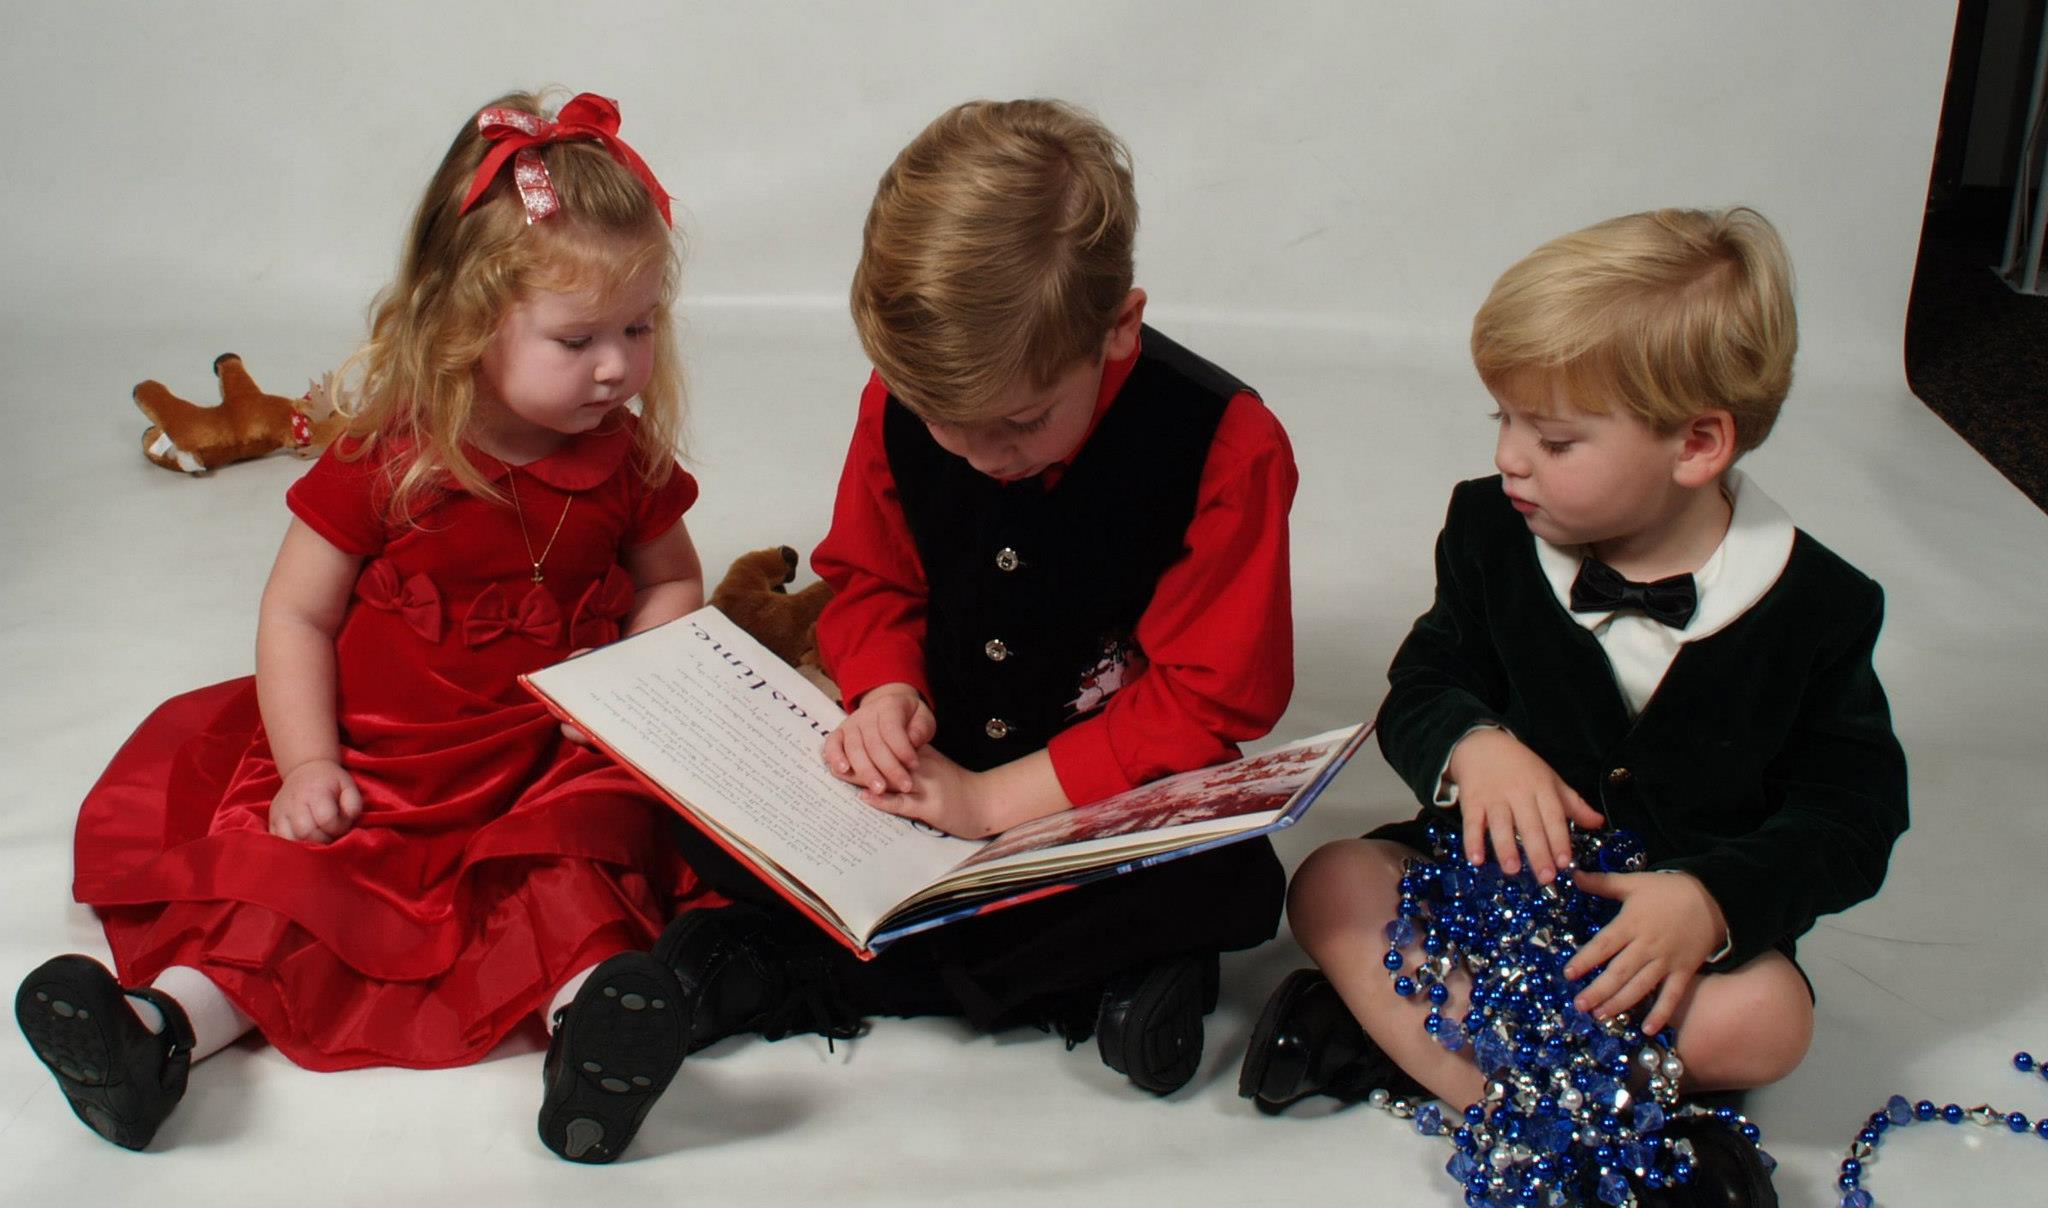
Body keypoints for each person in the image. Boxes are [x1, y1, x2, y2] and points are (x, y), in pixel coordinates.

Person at [14, 91, 721, 1165]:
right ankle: (154, 1029)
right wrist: (305, 761)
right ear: (468, 319)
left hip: (539, 759)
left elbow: (672, 581)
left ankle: (596, 1030)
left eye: (639, 326)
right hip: (377, 758)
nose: (618, 365)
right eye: (577, 338)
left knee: (570, 866)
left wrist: (627, 680)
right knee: (286, 885)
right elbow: (297, 611)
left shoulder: (621, 460)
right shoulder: (397, 457)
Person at [1239, 207, 1908, 1202]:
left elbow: (1851, 813)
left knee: (1770, 1018)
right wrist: (1474, 744)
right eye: (1499, 419)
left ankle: (1415, 1044)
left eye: (1551, 437)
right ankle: (1574, 1114)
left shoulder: (1819, 608)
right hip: (1481, 892)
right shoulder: (1487, 529)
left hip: (1647, 943)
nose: (1509, 456)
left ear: (1695, 443)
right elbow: (1424, 678)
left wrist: (1712, 899)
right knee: (1330, 880)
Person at [650, 98, 1299, 1098]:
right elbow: (868, 579)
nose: (976, 455)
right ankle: (1072, 989)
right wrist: (881, 691)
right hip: (928, 757)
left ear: (1116, 327)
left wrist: (996, 800)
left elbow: (1209, 699)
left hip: (1090, 788)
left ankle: (779, 968)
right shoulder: (906, 399)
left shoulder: (1225, 444)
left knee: (1235, 879)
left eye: (1020, 420)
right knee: (683, 800)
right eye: (939, 421)